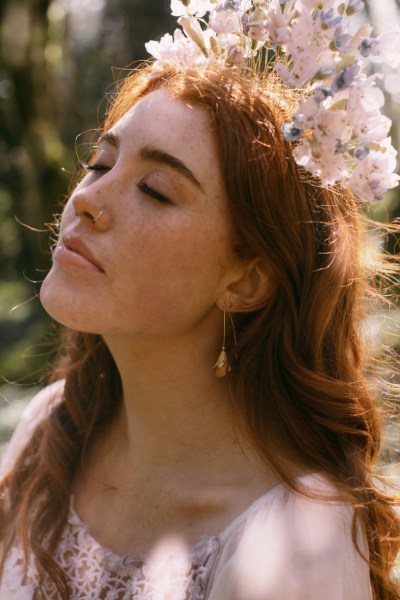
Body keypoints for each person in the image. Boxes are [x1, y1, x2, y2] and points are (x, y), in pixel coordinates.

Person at [1, 1, 400, 598]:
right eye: (99, 162)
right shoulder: (52, 431)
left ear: (246, 280)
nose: (87, 200)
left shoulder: (294, 547)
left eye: (156, 191)